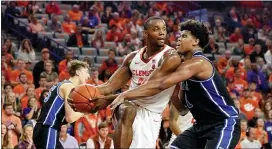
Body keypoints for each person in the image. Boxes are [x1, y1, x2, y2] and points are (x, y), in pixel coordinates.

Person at [111, 20, 240, 149]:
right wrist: (171, 92)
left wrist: (125, 95)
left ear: (195, 42)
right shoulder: (184, 69)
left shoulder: (198, 63)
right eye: (179, 36)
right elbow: (183, 109)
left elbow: (160, 84)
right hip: (200, 126)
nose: (178, 39)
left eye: (184, 36)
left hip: (224, 124)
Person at [95, 16, 182, 148]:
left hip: (151, 113)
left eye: (164, 29)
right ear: (146, 33)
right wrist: (86, 93)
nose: (162, 32)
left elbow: (152, 88)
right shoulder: (132, 58)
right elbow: (108, 86)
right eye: (156, 29)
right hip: (129, 104)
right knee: (127, 109)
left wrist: (111, 98)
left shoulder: (170, 57)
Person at [33, 60, 91, 149]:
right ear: (78, 72)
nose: (88, 75)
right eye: (86, 72)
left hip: (45, 129)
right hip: (48, 128)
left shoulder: (63, 84)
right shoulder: (69, 86)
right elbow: (70, 118)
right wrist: (86, 111)